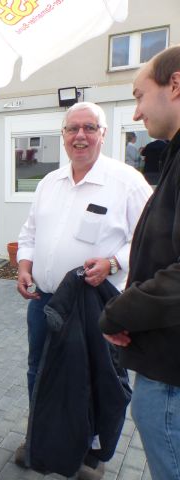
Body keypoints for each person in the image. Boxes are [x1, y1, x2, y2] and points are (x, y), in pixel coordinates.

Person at [15, 102, 152, 479]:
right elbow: (29, 233)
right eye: (72, 128)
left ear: (103, 134)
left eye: (89, 128)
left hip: (96, 304)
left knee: (92, 376)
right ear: (62, 135)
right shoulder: (49, 182)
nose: (80, 136)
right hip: (45, 301)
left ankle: (90, 451)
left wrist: (114, 262)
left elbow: (148, 240)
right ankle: (40, 436)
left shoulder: (126, 182)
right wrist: (24, 265)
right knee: (39, 370)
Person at [99, 45, 180, 480]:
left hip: (170, 377)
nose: (136, 112)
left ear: (175, 84)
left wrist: (118, 312)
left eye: (139, 95)